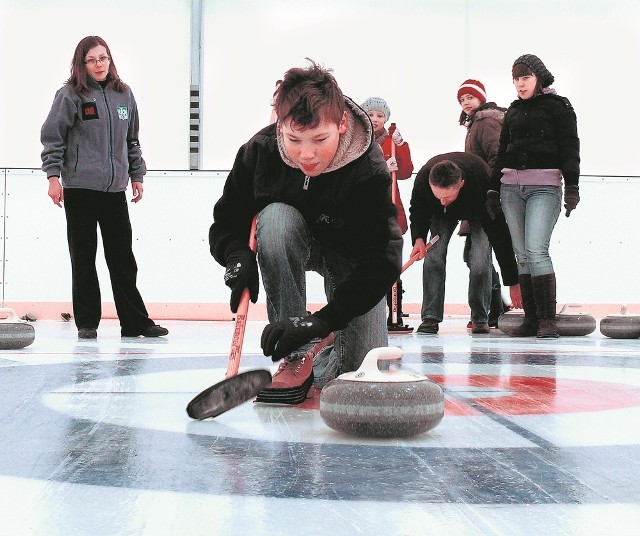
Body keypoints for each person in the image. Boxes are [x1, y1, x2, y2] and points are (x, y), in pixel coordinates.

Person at [209, 60, 403, 401]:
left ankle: (321, 344)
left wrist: (323, 321)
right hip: (294, 237)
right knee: (276, 218)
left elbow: (383, 259)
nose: (307, 154)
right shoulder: (261, 151)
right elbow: (227, 220)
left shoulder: (368, 166)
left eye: (319, 139)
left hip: (352, 256)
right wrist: (236, 256)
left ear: (342, 123)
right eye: (294, 139)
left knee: (358, 378)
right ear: (280, 124)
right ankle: (296, 355)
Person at [40, 36, 168, 340]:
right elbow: (53, 137)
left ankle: (135, 322)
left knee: (123, 258)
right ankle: (87, 322)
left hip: (114, 191)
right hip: (81, 189)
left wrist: (137, 174)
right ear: (81, 64)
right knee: (83, 257)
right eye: (92, 60)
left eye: (104, 58)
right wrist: (53, 177)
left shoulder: (123, 94)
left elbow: (132, 140)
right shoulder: (70, 95)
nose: (99, 64)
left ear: (110, 60)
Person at [486, 54, 580, 339]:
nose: (520, 84)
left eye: (525, 77)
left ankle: (547, 321)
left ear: (539, 78)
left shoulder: (559, 107)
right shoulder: (513, 111)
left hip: (545, 187)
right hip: (511, 189)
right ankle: (532, 318)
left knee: (536, 250)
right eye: (516, 79)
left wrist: (572, 187)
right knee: (522, 254)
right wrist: (493, 188)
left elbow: (570, 147)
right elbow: (502, 152)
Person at [409, 152, 522, 335]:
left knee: (479, 258)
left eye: (448, 197)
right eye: (438, 196)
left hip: (478, 209)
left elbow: (500, 235)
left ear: (461, 184)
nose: (443, 201)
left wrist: (513, 281)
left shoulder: (482, 183)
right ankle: (430, 317)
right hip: (440, 216)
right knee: (434, 256)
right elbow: (418, 210)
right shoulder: (424, 178)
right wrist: (419, 239)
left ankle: (480, 318)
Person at [457, 79, 510, 328]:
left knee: (478, 257)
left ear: (481, 98)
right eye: (461, 99)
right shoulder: (474, 124)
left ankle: (485, 312)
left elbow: (496, 156)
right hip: (476, 198)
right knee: (474, 257)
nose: (465, 102)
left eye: (469, 97)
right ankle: (498, 307)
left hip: (484, 198)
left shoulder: (486, 122)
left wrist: (489, 189)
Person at [360, 97, 414, 332]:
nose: (375, 120)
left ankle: (394, 312)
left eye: (380, 116)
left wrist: (400, 150)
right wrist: (381, 164)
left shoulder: (392, 140)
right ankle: (367, 313)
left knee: (390, 260)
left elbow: (405, 172)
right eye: (370, 115)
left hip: (388, 203)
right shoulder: (357, 139)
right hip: (365, 206)